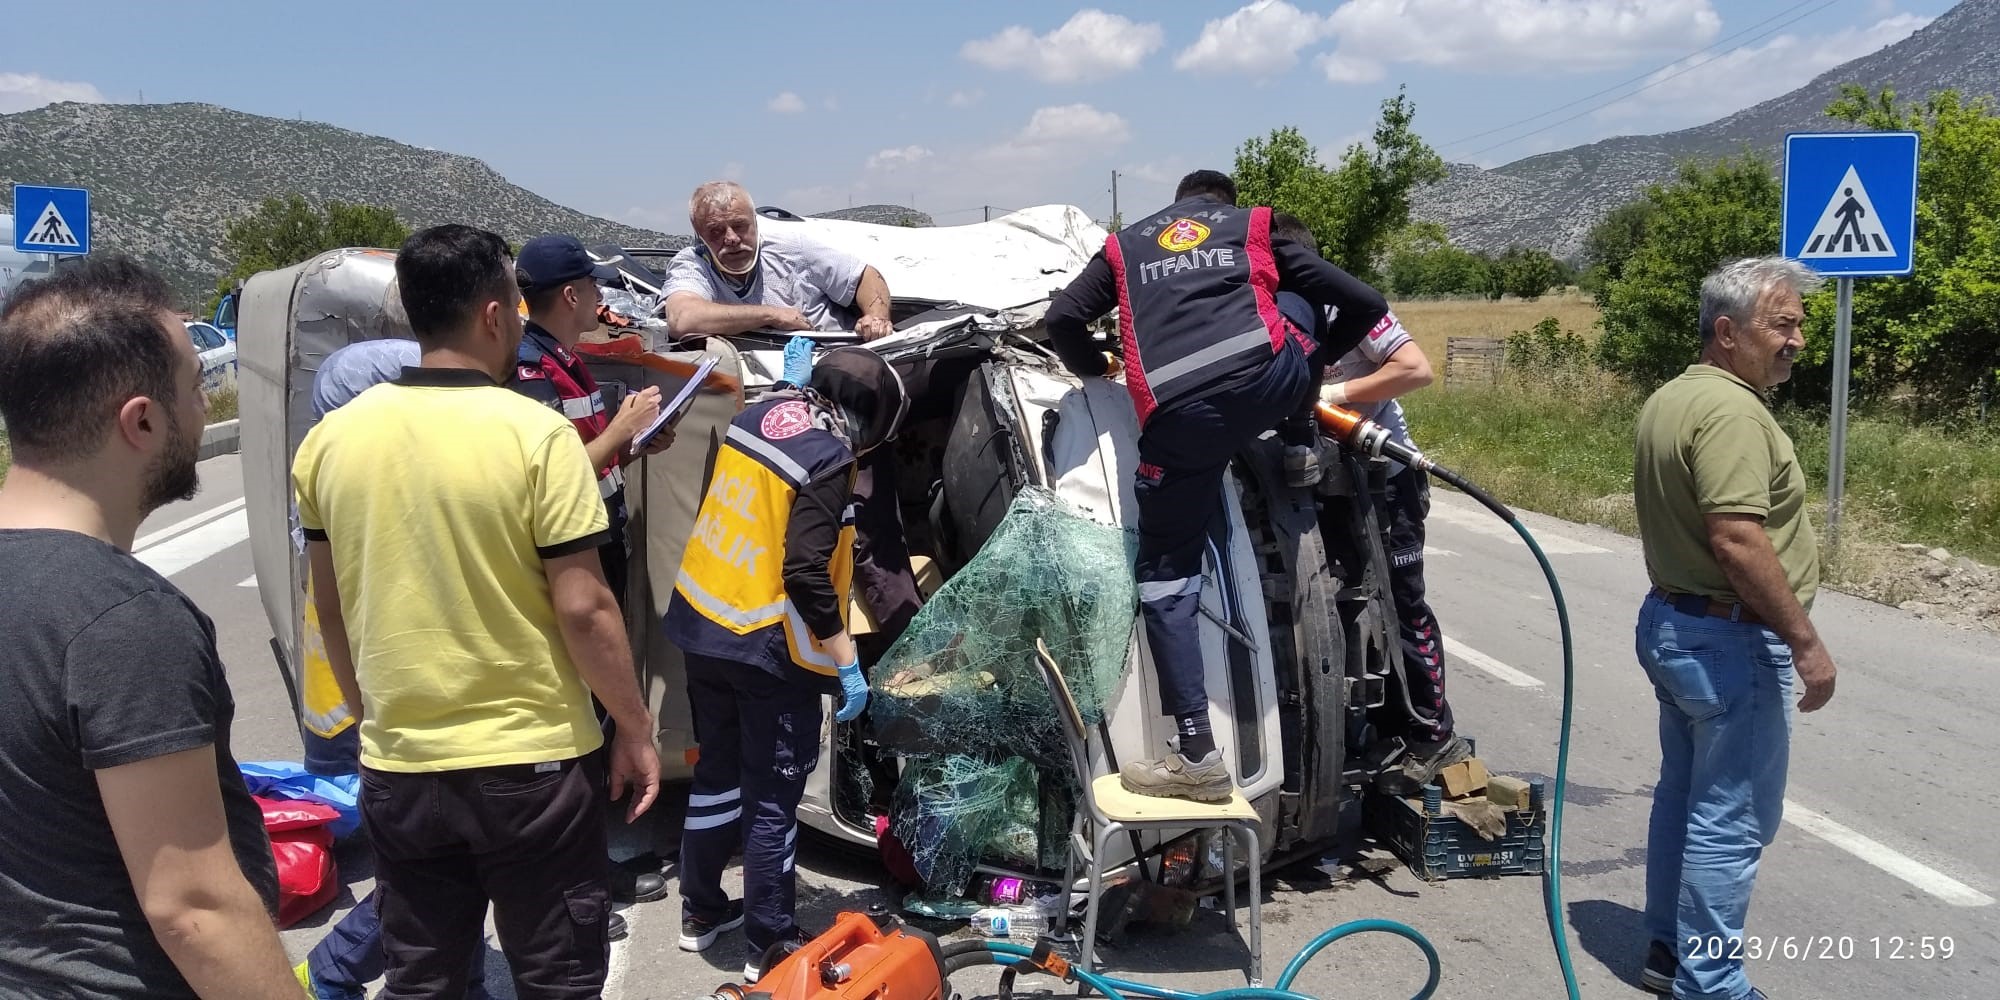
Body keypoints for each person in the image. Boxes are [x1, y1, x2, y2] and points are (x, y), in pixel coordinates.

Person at [293, 224, 662, 999]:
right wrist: (633, 727)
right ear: (494, 315)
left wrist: (374, 721)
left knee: (424, 979)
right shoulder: (537, 435)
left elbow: (330, 608)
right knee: (556, 978)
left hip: (401, 766)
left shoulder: (330, 443)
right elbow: (586, 606)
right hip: (532, 767)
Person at [0, 254, 297, 999]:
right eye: (197, 388)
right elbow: (194, 909)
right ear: (142, 419)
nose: (203, 410)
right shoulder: (122, 620)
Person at [1044, 169, 1390, 802]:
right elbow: (1366, 302)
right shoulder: (1254, 227)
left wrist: (1096, 366)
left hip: (1184, 423)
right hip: (1271, 385)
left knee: (1165, 576)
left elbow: (1062, 317)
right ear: (1223, 203)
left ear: (1176, 203)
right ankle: (1296, 441)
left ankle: (1198, 755)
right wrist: (1308, 367)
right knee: (1295, 291)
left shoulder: (1125, 248)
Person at [661, 346, 909, 984]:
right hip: (765, 648)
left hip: (703, 621)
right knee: (773, 798)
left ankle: (700, 913)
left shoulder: (757, 415)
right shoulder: (830, 456)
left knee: (716, 774)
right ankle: (767, 941)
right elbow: (805, 570)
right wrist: (846, 658)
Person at [1631, 256, 1838, 1000]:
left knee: (1684, 799)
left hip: (1678, 625)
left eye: (1800, 324)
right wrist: (1806, 644)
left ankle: (1667, 950)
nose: (1799, 340)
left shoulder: (1675, 397)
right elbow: (1737, 538)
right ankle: (1711, 983)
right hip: (1726, 636)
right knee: (1732, 818)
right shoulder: (1732, 413)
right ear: (1728, 331)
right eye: (1783, 324)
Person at [291, 337, 503, 1000]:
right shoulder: (371, 501)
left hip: (364, 702)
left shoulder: (341, 480)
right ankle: (330, 971)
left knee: (443, 868)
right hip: (376, 709)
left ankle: (461, 986)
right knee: (434, 870)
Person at [1266, 213, 1471, 793]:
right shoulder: (1277, 313)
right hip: (1326, 482)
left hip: (1386, 478)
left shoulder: (1343, 304)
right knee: (1338, 607)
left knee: (1402, 602)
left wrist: (1336, 393)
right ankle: (1372, 727)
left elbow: (1416, 368)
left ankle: (1434, 733)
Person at [511, 233, 674, 608]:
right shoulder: (533, 371)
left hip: (602, 539)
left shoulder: (567, 362)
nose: (600, 298)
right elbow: (553, 478)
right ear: (571, 296)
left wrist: (635, 445)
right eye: (593, 286)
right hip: (579, 553)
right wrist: (622, 427)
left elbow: (593, 462)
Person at [663, 180, 895, 341]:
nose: (731, 238)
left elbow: (865, 276)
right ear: (699, 234)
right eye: (716, 231)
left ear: (755, 222)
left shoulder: (794, 248)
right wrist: (772, 315)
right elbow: (683, 319)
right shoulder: (693, 264)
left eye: (740, 226)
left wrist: (876, 317)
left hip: (834, 354)